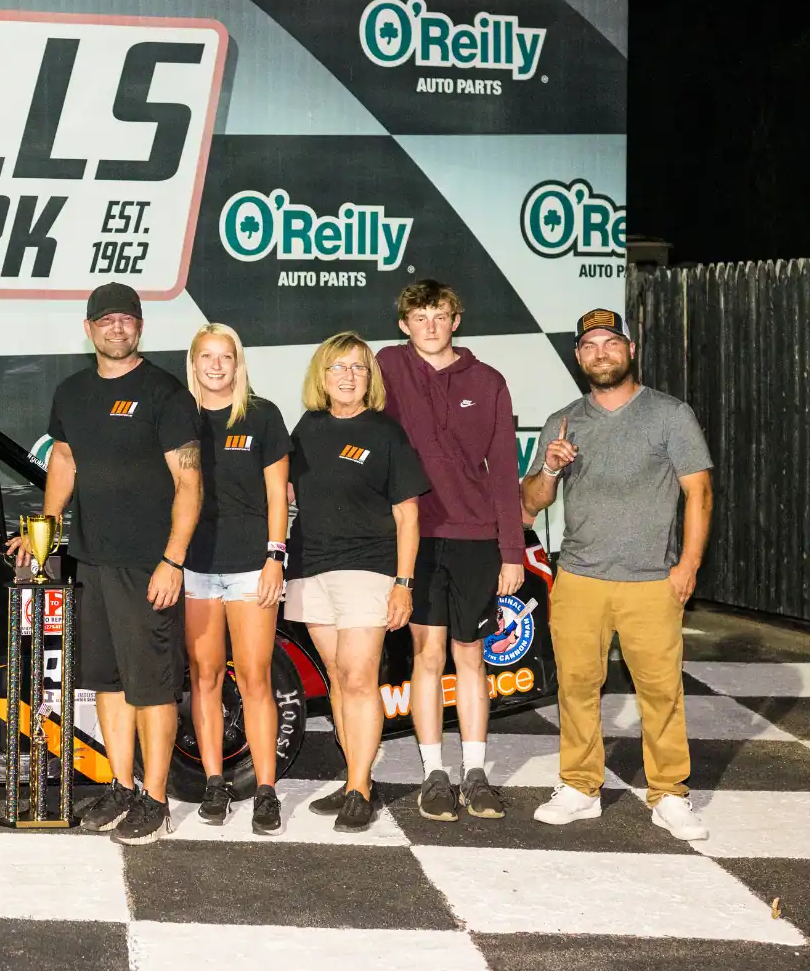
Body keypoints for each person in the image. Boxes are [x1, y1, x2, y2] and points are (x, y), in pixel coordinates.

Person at [14, 282, 202, 845]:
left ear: (139, 328)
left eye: (126, 320)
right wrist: (44, 535)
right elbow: (65, 462)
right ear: (89, 328)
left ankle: (156, 798)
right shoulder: (71, 393)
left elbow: (190, 483)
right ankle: (122, 786)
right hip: (89, 561)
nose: (116, 329)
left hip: (148, 565)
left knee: (153, 687)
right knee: (109, 686)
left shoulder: (165, 393)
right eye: (106, 320)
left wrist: (173, 561)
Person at [522, 309, 713, 840]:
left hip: (653, 579)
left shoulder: (670, 414)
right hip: (581, 577)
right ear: (579, 357)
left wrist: (688, 567)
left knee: (661, 689)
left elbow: (698, 492)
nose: (600, 352)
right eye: (589, 346)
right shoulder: (565, 420)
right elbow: (528, 505)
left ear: (630, 350)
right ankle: (581, 787)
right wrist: (551, 468)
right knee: (577, 687)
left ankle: (670, 793)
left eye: (610, 342)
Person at [377, 280, 521, 823]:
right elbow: (343, 407)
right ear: (403, 324)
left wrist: (511, 551)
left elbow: (504, 471)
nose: (430, 326)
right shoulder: (386, 367)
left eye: (440, 316)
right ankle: (434, 773)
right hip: (415, 537)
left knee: (470, 656)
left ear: (456, 321)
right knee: (427, 656)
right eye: (420, 317)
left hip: (477, 539)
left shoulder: (487, 381)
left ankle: (476, 773)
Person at [288, 332, 428, 833]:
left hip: (369, 568)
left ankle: (360, 788)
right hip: (309, 568)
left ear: (371, 378)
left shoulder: (385, 433)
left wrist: (403, 582)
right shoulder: (305, 428)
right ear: (321, 377)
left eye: (358, 367)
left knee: (359, 677)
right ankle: (353, 777)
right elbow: (279, 490)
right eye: (337, 367)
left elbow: (408, 517)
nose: (348, 376)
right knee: (336, 679)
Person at [182, 323, 290, 835]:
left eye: (226, 356)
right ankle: (214, 783)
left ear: (237, 362)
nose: (217, 365)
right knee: (204, 679)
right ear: (195, 361)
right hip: (195, 569)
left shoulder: (263, 415)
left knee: (254, 678)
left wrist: (276, 557)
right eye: (208, 355)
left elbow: (277, 497)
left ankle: (266, 790)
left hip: (252, 567)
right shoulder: (177, 418)